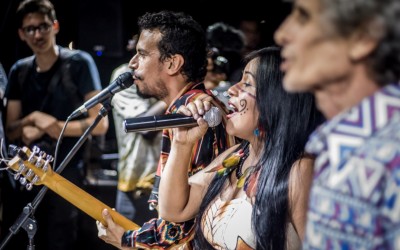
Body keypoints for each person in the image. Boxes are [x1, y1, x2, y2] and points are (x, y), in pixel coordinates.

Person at [99, 47, 324, 249]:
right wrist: (182, 143)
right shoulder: (234, 158)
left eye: (246, 83)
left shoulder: (300, 171)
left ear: (276, 100)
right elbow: (173, 210)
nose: (233, 89)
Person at [98, 10, 236, 249]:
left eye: (141, 54)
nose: (132, 64)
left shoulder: (194, 114)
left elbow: (185, 222)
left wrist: (127, 239)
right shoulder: (188, 107)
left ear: (172, 63)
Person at [274, 0, 400, 249]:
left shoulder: (392, 152)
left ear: (363, 37)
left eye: (303, 16)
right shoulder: (342, 144)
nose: (281, 35)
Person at [1, 0, 108, 249]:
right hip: (26, 174)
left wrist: (52, 125)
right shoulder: (19, 70)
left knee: (60, 240)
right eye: (30, 29)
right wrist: (33, 118)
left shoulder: (79, 62)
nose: (37, 34)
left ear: (55, 26)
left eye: (43, 26)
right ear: (21, 33)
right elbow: (10, 130)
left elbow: (99, 124)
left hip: (66, 175)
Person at [110, 33, 165, 224]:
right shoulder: (125, 77)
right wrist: (175, 94)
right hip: (135, 185)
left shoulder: (165, 76)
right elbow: (144, 128)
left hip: (168, 186)